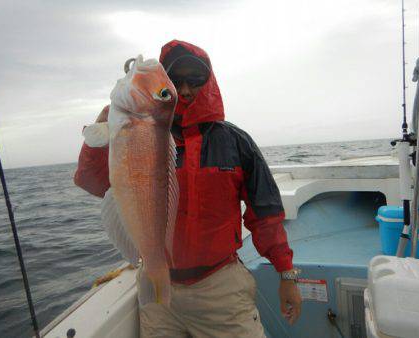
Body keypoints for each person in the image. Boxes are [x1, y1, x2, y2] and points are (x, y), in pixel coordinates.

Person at [74, 40, 301, 338]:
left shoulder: (236, 142)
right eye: (176, 81)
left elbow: (266, 216)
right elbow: (92, 181)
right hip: (157, 292)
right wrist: (103, 127)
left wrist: (286, 274)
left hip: (219, 288)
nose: (185, 90)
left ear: (209, 83)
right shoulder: (141, 131)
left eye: (195, 80)